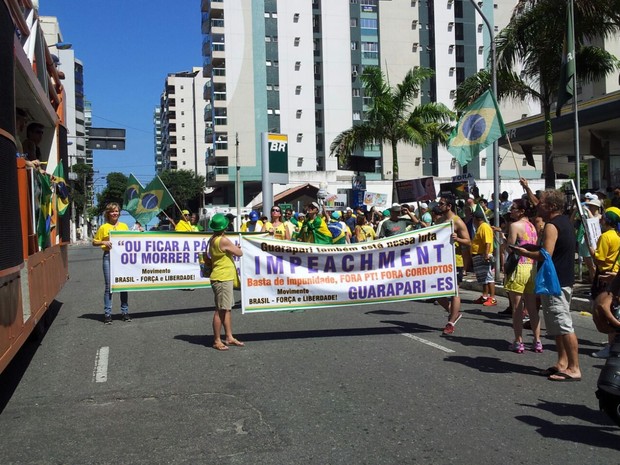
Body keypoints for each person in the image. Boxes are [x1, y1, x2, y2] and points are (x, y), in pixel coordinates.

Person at [512, 189, 581, 382]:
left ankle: (574, 367)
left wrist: (523, 253)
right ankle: (562, 363)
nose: (537, 205)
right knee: (556, 326)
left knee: (564, 324)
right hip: (562, 280)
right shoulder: (565, 222)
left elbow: (546, 255)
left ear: (551, 206)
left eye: (541, 202)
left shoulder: (552, 225)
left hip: (555, 281)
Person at [504, 199, 541, 353]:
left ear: (521, 211)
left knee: (517, 307)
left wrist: (504, 240)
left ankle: (519, 341)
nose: (511, 211)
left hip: (519, 267)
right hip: (532, 267)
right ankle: (537, 340)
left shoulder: (514, 226)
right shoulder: (532, 226)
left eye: (513, 208)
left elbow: (511, 247)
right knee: (532, 308)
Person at [207, 213, 244, 351]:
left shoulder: (213, 239)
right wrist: (237, 248)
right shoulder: (223, 240)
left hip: (222, 276)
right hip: (222, 278)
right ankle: (217, 340)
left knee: (226, 309)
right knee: (220, 310)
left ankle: (229, 336)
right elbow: (239, 253)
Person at [436, 194, 471, 334]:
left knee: (454, 290)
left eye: (441, 204)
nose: (439, 206)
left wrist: (458, 239)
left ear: (449, 206)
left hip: (455, 261)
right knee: (436, 292)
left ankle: (451, 322)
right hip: (440, 261)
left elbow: (468, 241)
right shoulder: (439, 221)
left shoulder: (457, 221)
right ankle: (453, 312)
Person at [589, 207, 620, 358]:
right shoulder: (617, 235)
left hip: (604, 275)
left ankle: (611, 344)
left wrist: (592, 252)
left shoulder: (606, 236)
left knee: (605, 308)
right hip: (615, 273)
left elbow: (599, 258)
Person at [92, 202, 130, 324]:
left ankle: (125, 312)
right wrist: (104, 243)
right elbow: (94, 241)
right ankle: (108, 314)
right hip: (108, 257)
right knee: (109, 286)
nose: (115, 213)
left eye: (117, 211)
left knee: (124, 285)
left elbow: (131, 241)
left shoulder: (124, 226)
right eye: (112, 211)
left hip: (122, 259)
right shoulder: (104, 227)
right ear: (108, 214)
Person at [471, 208, 497, 307]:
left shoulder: (484, 227)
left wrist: (486, 254)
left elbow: (488, 242)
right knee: (483, 278)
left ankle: (492, 298)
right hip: (479, 254)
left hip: (483, 255)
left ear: (477, 218)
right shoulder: (480, 227)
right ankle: (485, 296)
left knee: (489, 277)